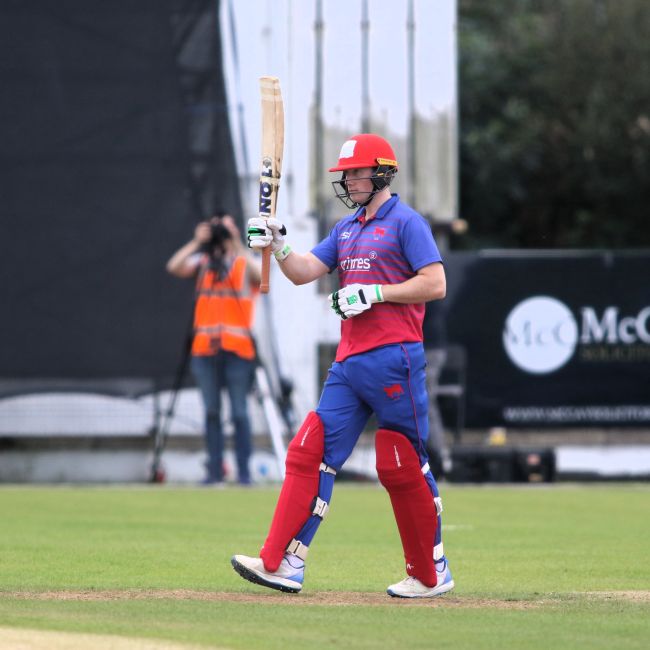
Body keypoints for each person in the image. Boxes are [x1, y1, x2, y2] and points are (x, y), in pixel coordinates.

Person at [231, 133, 454, 598]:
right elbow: (303, 272)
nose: (349, 180)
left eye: (356, 172)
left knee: (402, 463)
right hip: (349, 361)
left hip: (395, 357)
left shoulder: (407, 223)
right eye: (345, 174)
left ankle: (431, 572)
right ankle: (283, 562)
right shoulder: (347, 228)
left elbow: (435, 283)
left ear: (382, 173)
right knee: (307, 452)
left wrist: (376, 292)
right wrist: (277, 245)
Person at [166, 212, 261, 485]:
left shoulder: (243, 263)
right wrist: (197, 242)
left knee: (240, 413)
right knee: (211, 412)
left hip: (238, 350)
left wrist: (236, 244)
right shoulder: (203, 262)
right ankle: (214, 471)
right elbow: (174, 266)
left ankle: (244, 473)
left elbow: (259, 275)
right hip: (204, 350)